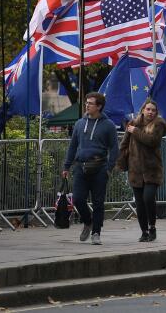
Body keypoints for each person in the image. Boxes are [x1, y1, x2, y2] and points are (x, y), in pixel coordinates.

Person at [61, 91, 118, 244]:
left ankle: (96, 233)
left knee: (98, 202)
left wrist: (109, 168)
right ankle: (88, 221)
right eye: (86, 102)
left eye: (90, 103)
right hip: (80, 167)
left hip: (99, 167)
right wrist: (66, 166)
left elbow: (114, 148)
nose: (87, 105)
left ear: (99, 106)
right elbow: (73, 146)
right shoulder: (79, 123)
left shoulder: (108, 125)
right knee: (78, 199)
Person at [116, 99, 166, 242]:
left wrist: (136, 131)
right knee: (139, 203)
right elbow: (124, 144)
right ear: (143, 110)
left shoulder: (158, 124)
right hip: (135, 169)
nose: (150, 112)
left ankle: (152, 226)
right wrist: (121, 163)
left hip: (152, 169)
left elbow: (152, 141)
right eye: (148, 109)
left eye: (153, 110)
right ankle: (144, 231)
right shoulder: (133, 123)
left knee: (148, 198)